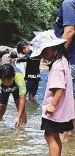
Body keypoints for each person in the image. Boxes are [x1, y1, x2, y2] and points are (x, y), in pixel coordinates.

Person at [30, 32, 73, 156]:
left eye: (43, 53)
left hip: (55, 110)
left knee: (50, 135)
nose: (42, 56)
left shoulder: (56, 66)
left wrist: (52, 105)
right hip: (62, 109)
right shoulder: (63, 60)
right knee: (53, 135)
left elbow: (60, 88)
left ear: (50, 49)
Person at [54, 0, 75, 140]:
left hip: (71, 59)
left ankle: (65, 138)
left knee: (67, 98)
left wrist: (57, 55)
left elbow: (69, 31)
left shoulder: (69, 3)